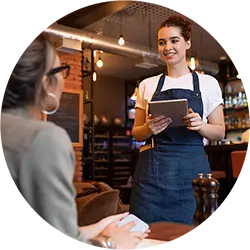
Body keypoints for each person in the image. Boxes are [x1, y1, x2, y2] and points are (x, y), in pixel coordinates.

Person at [0, 32, 149, 250]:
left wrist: (99, 226)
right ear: (45, 82)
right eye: (60, 70)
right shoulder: (43, 139)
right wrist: (110, 243)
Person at [129, 15, 225, 225]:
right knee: (147, 237)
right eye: (162, 42)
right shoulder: (147, 85)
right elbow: (136, 133)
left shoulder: (208, 83)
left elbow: (220, 132)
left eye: (174, 40)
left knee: (194, 235)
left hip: (192, 173)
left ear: (187, 43)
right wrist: (148, 128)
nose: (167, 47)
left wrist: (201, 126)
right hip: (152, 176)